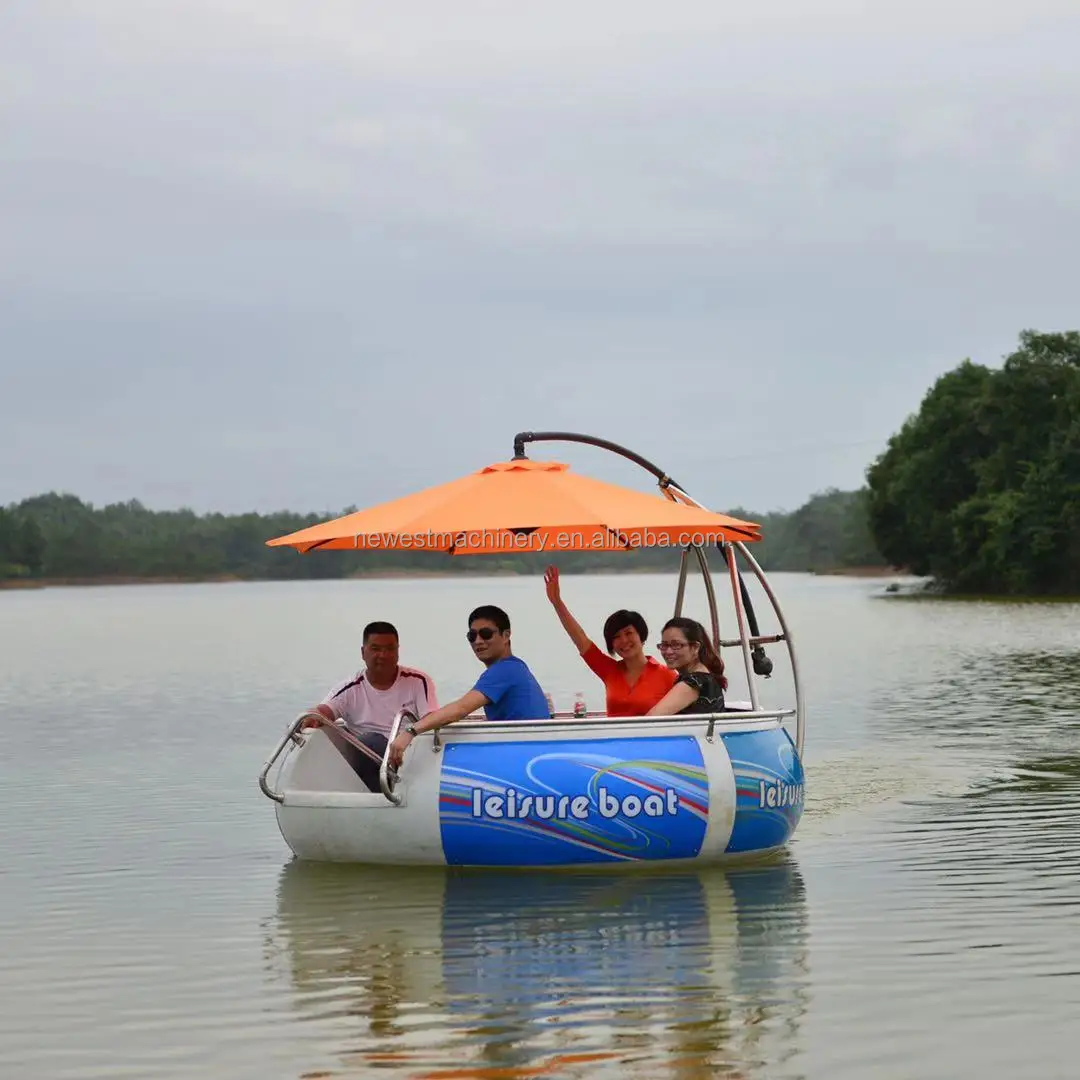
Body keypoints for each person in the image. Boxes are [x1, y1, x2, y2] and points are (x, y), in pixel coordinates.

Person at [387, 604, 548, 769]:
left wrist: (410, 731)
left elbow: (460, 709)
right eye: (472, 636)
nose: (478, 641)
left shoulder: (504, 670)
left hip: (522, 758)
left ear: (506, 636)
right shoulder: (517, 667)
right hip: (530, 753)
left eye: (486, 634)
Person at [305, 620, 437, 791]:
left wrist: (407, 736)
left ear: (398, 652)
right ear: (363, 652)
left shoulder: (418, 681)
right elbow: (325, 710)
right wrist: (312, 716)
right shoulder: (351, 688)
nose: (383, 655)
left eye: (390, 649)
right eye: (376, 649)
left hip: (408, 757)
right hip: (367, 760)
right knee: (369, 741)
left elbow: (431, 719)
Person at [543, 564, 676, 717]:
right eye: (616, 637)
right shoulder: (609, 670)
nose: (624, 641)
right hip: (614, 740)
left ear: (641, 635)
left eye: (629, 633)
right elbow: (580, 639)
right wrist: (557, 602)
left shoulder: (667, 675)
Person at [647, 617, 727, 716]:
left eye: (676, 645)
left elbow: (651, 719)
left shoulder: (694, 682)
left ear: (695, 647)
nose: (668, 651)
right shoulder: (706, 677)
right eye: (664, 645)